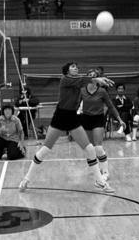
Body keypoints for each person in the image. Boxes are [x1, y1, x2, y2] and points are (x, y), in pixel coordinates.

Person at [19, 62, 115, 193]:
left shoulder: (78, 81)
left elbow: (84, 81)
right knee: (45, 150)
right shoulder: (65, 79)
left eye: (77, 66)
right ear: (67, 70)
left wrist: (97, 80)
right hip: (60, 116)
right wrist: (96, 79)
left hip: (72, 117)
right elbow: (82, 80)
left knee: (90, 149)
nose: (76, 68)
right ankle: (26, 179)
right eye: (73, 66)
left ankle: (100, 181)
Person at [79, 68, 126, 181]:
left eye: (94, 75)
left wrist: (120, 120)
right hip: (85, 119)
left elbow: (110, 106)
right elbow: (75, 105)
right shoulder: (82, 91)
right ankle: (97, 169)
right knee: (90, 149)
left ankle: (105, 172)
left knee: (98, 147)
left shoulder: (102, 91)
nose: (92, 77)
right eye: (90, 75)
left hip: (98, 119)